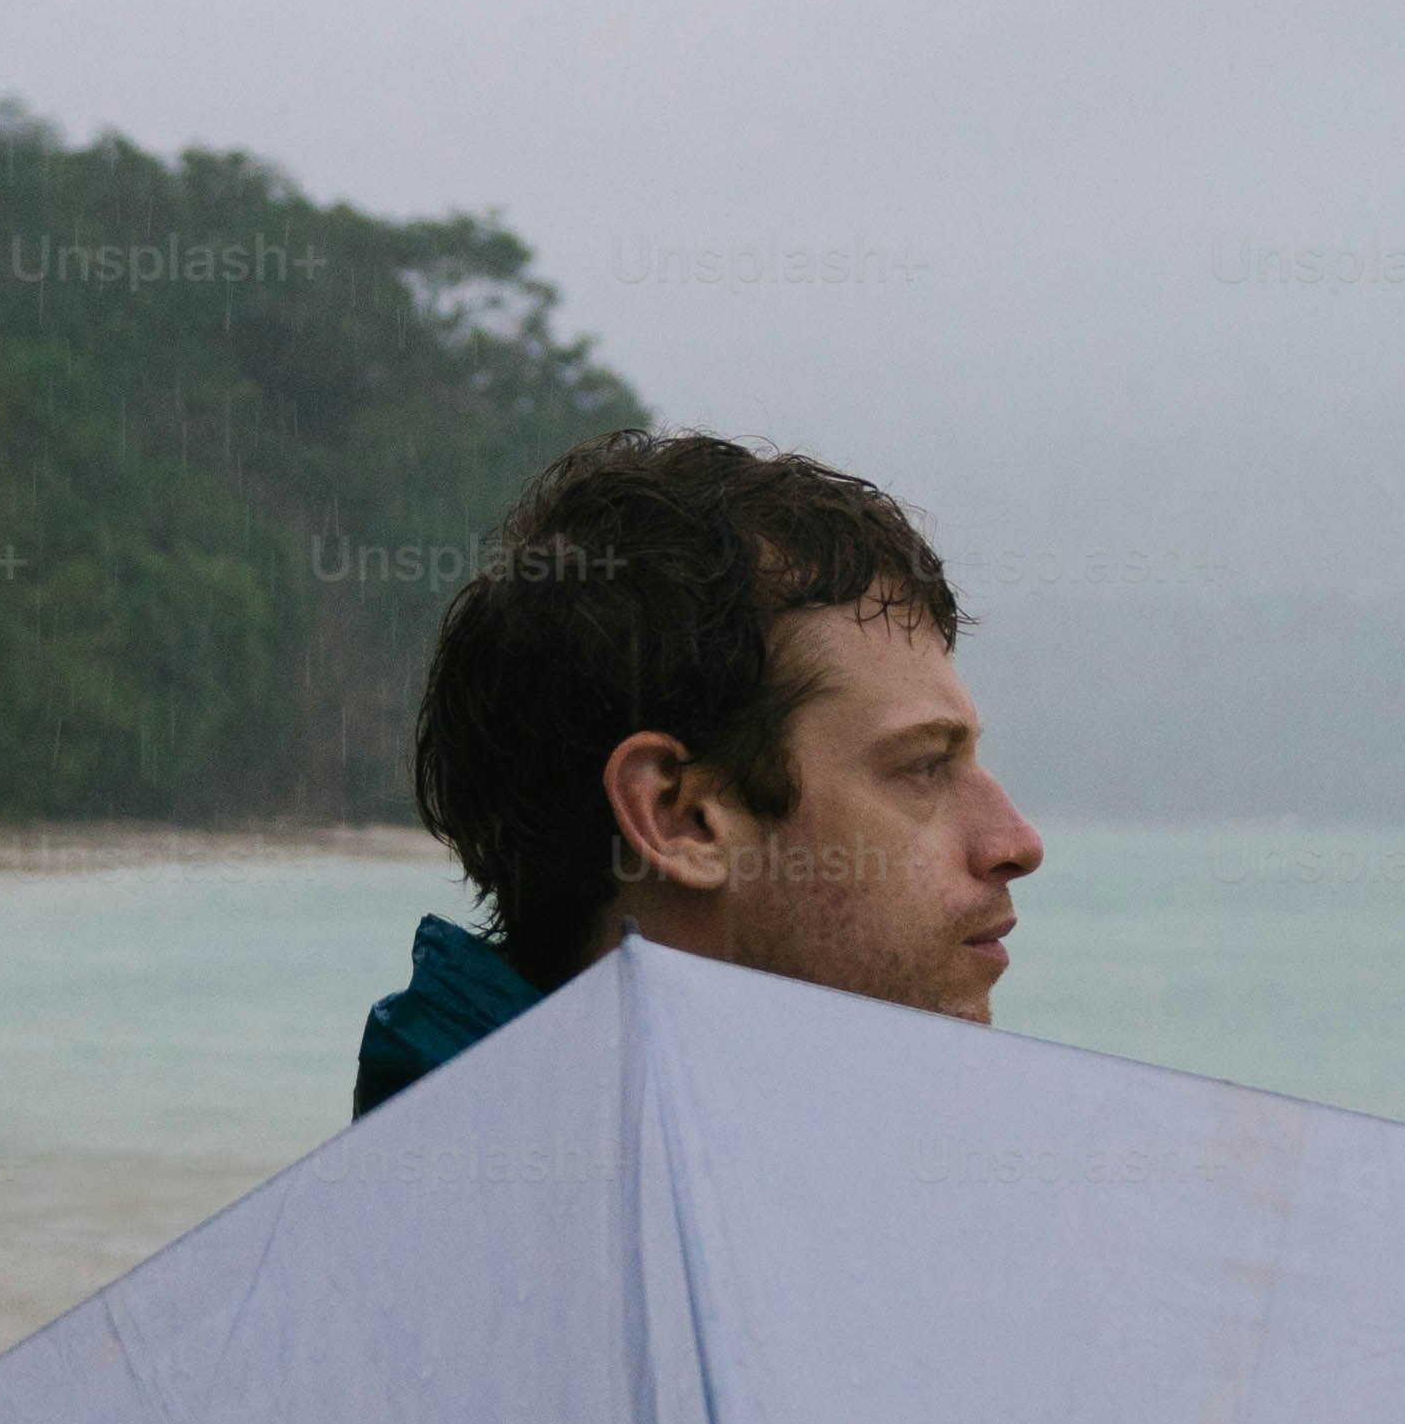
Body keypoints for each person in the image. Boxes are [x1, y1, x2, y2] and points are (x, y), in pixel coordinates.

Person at [353, 431, 1043, 1116]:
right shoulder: (496, 1180)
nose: (1017, 843)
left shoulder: (582, 1143)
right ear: (679, 816)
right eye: (924, 766)